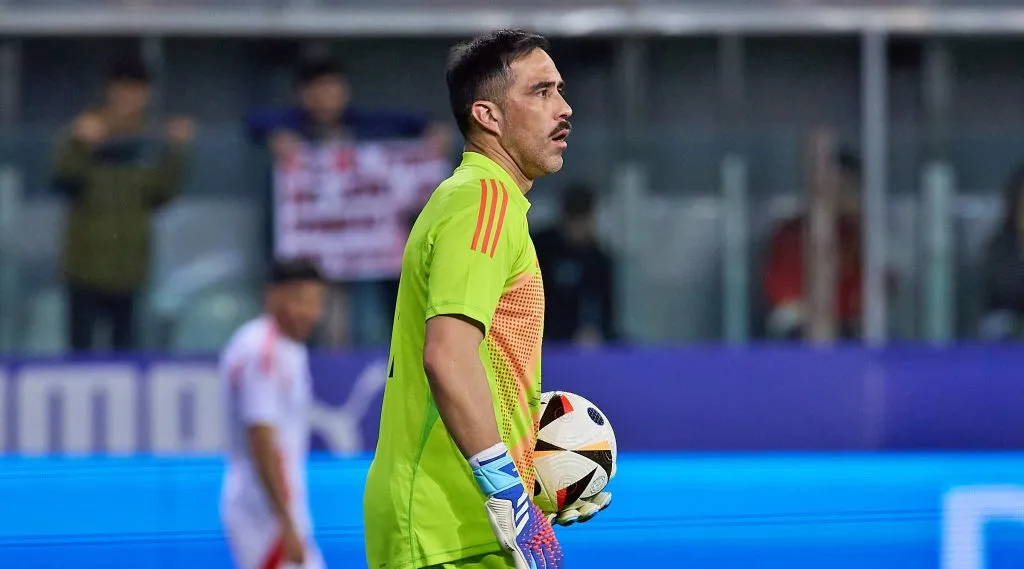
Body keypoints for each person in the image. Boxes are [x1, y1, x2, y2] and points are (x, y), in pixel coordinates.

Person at [362, 29, 610, 569]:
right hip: (447, 528)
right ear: (488, 116)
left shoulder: (479, 201)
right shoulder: (484, 203)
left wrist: (540, 475)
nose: (564, 109)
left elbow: (481, 366)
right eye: (540, 93)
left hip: (461, 521)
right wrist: (512, 500)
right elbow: (448, 358)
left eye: (561, 91)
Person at [52, 57, 194, 351]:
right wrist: (80, 144)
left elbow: (164, 193)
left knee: (126, 351)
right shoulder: (84, 130)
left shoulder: (151, 139)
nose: (127, 97)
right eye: (121, 89)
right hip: (84, 267)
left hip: (130, 269)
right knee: (79, 351)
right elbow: (63, 181)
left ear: (147, 94)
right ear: (108, 90)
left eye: (135, 90)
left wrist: (177, 150)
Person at [219, 258, 326, 569]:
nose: (311, 313)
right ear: (273, 296)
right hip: (263, 513)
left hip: (278, 509)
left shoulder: (289, 349)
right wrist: (285, 521)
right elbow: (261, 438)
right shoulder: (261, 351)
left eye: (316, 302)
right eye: (300, 301)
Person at [532, 183, 617, 345]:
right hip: (537, 333)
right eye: (574, 222)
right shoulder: (540, 248)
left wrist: (595, 331)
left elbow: (606, 311)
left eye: (582, 222)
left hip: (578, 340)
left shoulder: (598, 260)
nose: (577, 230)